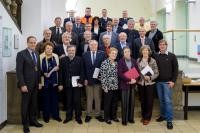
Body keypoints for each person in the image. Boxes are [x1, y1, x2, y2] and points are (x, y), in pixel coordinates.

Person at [16, 36, 43, 133]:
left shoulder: (36, 53)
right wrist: (22, 84)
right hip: (26, 85)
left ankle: (33, 121)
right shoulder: (21, 54)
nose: (33, 44)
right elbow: (19, 71)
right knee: (25, 105)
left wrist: (40, 82)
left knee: (34, 104)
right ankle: (25, 124)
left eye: (34, 42)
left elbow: (38, 70)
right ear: (27, 43)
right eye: (31, 42)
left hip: (35, 84)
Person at [154, 39, 178, 129]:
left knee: (168, 102)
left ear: (166, 45)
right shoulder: (156, 55)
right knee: (161, 101)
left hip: (168, 83)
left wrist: (173, 81)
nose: (162, 46)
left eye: (164, 44)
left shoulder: (172, 56)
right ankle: (163, 116)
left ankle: (169, 120)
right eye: (160, 45)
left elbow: (175, 70)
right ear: (158, 46)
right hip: (158, 82)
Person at [59, 45, 84, 124]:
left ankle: (78, 117)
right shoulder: (63, 60)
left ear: (75, 51)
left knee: (77, 101)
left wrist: (81, 82)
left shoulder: (80, 59)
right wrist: (60, 84)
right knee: (68, 101)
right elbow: (61, 73)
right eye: (69, 50)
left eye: (73, 50)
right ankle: (68, 117)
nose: (71, 52)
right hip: (67, 84)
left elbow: (82, 71)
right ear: (67, 51)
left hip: (77, 84)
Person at [83, 40, 105, 123]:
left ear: (97, 45)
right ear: (89, 46)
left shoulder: (102, 54)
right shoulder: (85, 54)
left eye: (95, 45)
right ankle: (88, 115)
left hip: (98, 80)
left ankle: (98, 114)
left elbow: (103, 66)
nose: (93, 46)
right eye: (91, 45)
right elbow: (83, 68)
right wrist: (84, 78)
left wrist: (101, 77)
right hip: (88, 80)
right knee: (89, 98)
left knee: (97, 98)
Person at [40, 42, 62, 123]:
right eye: (48, 48)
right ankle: (46, 116)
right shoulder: (40, 57)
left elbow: (58, 68)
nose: (49, 50)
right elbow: (38, 70)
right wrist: (43, 73)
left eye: (51, 48)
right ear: (44, 49)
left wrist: (57, 69)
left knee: (54, 99)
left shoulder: (55, 56)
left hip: (54, 81)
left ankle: (56, 115)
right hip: (44, 81)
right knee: (46, 99)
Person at [137, 45, 159, 125]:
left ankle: (147, 117)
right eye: (143, 50)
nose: (145, 52)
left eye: (146, 50)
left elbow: (157, 73)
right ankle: (143, 116)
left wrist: (150, 77)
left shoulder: (152, 61)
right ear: (141, 52)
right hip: (141, 83)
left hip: (150, 84)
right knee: (142, 101)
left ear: (149, 52)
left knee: (149, 101)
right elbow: (136, 71)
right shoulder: (138, 60)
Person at [118, 47, 139, 125]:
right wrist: (129, 80)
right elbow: (120, 73)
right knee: (125, 103)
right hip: (124, 85)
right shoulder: (120, 61)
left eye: (128, 51)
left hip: (132, 85)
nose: (127, 53)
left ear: (130, 52)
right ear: (123, 53)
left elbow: (137, 71)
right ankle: (124, 120)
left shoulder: (134, 60)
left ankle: (131, 118)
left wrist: (134, 80)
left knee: (132, 102)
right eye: (125, 52)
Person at [100, 47, 119, 124]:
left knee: (114, 103)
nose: (114, 55)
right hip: (108, 87)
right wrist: (104, 87)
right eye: (113, 53)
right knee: (107, 103)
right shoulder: (104, 63)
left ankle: (113, 116)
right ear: (109, 54)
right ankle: (106, 118)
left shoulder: (116, 63)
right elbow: (103, 76)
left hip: (116, 86)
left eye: (115, 54)